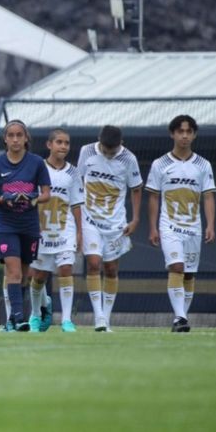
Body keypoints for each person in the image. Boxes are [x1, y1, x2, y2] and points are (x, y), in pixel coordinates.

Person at [146, 115, 216, 333]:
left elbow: (208, 196)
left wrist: (210, 225)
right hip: (169, 226)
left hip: (193, 227)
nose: (184, 136)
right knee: (176, 266)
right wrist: (153, 227)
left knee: (189, 274)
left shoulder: (203, 165)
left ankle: (180, 320)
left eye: (188, 131)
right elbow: (154, 197)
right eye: (180, 131)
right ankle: (180, 316)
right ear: (172, 134)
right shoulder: (160, 164)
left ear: (194, 134)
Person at [0, 120, 51, 332]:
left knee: (24, 274)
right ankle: (20, 318)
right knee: (12, 272)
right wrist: (5, 199)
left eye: (19, 135)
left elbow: (46, 194)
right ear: (5, 139)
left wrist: (32, 199)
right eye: (10, 135)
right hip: (6, 225)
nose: (15, 139)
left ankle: (13, 319)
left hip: (29, 225)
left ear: (26, 138)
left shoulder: (37, 163)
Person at [76, 125, 142, 332]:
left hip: (115, 223)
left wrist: (135, 219)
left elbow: (136, 188)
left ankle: (107, 316)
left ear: (120, 145)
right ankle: (99, 318)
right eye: (105, 150)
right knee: (94, 263)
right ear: (99, 141)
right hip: (90, 219)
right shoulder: (86, 151)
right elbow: (78, 181)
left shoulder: (129, 159)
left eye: (112, 151)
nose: (107, 154)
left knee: (111, 268)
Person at [29, 129, 83, 333]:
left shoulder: (73, 172)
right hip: (41, 231)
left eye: (66, 143)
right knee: (39, 276)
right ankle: (35, 315)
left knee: (66, 269)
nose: (63, 146)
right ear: (49, 145)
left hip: (65, 230)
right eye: (59, 142)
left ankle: (66, 320)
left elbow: (77, 204)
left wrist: (79, 232)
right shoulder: (37, 168)